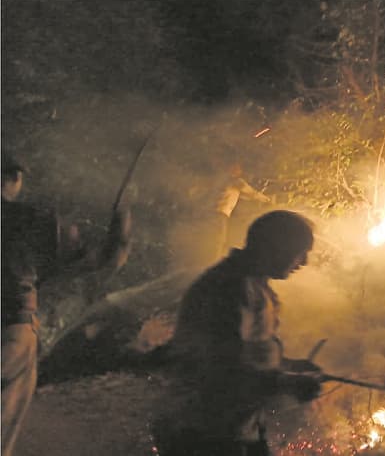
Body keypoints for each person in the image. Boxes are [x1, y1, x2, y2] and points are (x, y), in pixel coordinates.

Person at [156, 210, 323, 456]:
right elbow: (219, 366)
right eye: (300, 251)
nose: (304, 262)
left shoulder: (253, 285)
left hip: (236, 427)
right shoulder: (229, 288)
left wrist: (289, 365)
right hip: (204, 434)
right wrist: (286, 382)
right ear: (274, 247)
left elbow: (247, 353)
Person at [1, 150, 132, 456]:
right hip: (11, 335)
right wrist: (123, 215)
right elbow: (107, 259)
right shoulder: (32, 220)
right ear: (14, 178)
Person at [213, 162, 272, 260]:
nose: (240, 171)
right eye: (237, 169)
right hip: (220, 213)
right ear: (232, 170)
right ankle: (215, 259)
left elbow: (246, 196)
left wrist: (260, 197)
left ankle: (216, 258)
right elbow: (251, 193)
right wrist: (268, 200)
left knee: (219, 238)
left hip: (218, 213)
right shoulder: (236, 181)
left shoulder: (227, 181)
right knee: (219, 239)